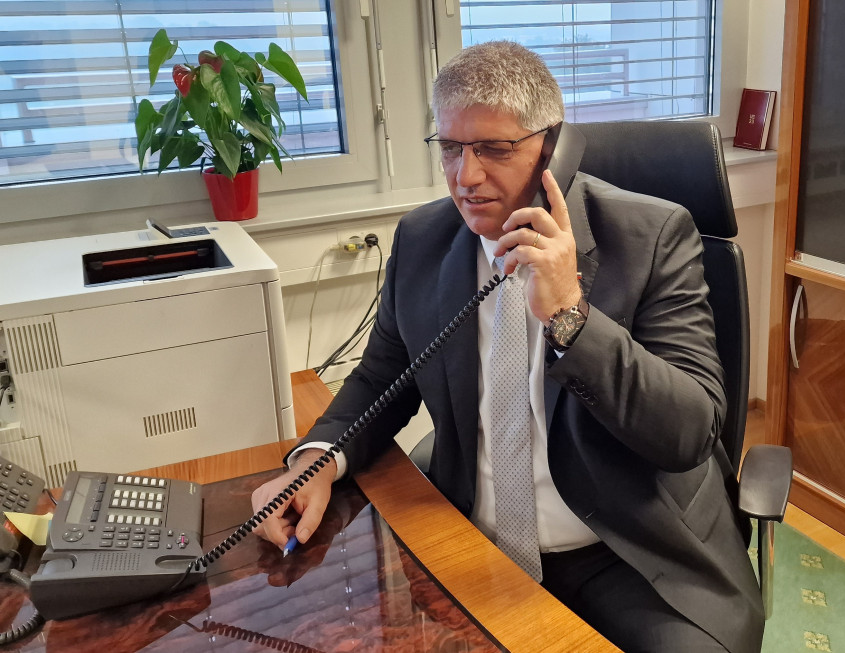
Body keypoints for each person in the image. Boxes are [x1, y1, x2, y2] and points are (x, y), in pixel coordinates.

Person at [252, 40, 764, 652]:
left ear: (553, 147)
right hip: (473, 534)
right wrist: (315, 459)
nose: (466, 177)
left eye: (494, 149)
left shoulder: (650, 236)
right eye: (450, 149)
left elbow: (689, 432)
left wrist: (572, 313)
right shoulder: (422, 240)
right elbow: (383, 375)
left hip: (628, 551)